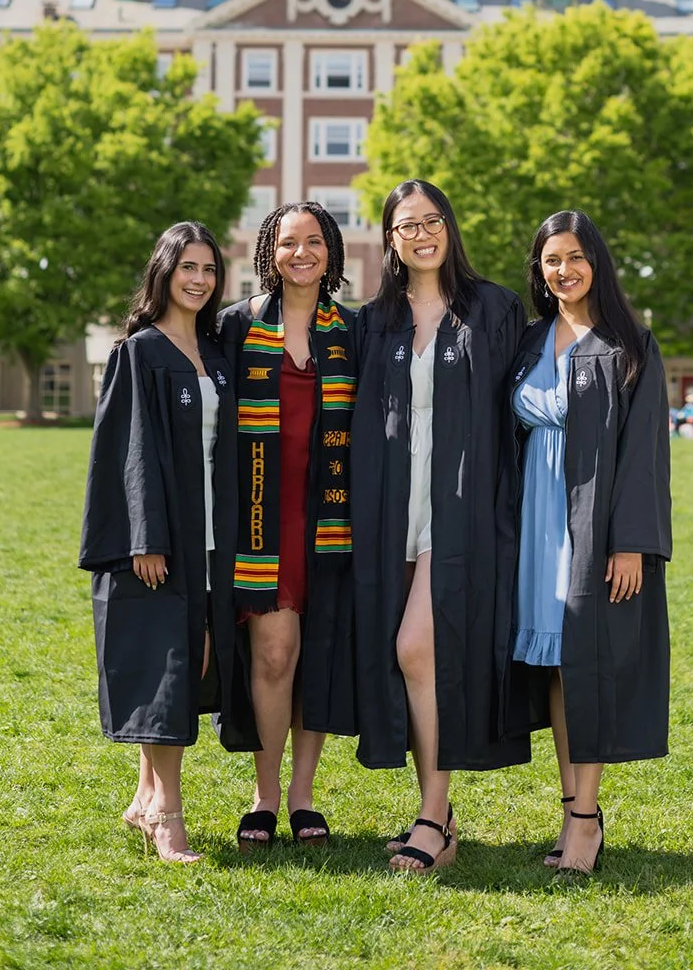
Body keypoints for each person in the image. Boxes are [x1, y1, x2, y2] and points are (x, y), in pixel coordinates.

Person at [352, 179, 529, 874]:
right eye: (405, 226)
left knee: (416, 647)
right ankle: (439, 814)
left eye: (431, 221)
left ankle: (433, 815)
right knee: (410, 658)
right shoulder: (376, 319)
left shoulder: (492, 308)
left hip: (460, 503)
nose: (420, 234)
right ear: (391, 241)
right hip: (391, 501)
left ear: (449, 228)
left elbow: (517, 410)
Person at [78, 221, 255, 863]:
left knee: (195, 661)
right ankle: (168, 819)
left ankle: (144, 796)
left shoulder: (215, 352)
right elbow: (128, 454)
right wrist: (145, 537)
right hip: (163, 543)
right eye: (188, 267)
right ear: (164, 272)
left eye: (209, 269)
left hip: (213, 539)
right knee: (170, 671)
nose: (200, 280)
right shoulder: (140, 352)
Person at [511, 210, 672, 875]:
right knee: (554, 661)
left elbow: (644, 454)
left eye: (575, 257)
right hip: (531, 522)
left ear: (596, 263)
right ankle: (571, 801)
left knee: (588, 659)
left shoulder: (629, 344)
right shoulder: (524, 341)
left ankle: (584, 817)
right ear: (538, 271)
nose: (564, 271)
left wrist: (628, 541)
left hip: (593, 522)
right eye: (551, 260)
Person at [218, 202, 357, 851]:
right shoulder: (238, 327)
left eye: (313, 242)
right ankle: (265, 795)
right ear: (268, 253)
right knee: (273, 655)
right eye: (286, 243)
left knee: (316, 659)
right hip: (259, 519)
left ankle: (303, 796)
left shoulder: (350, 334)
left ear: (331, 251)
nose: (300, 253)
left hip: (329, 518)